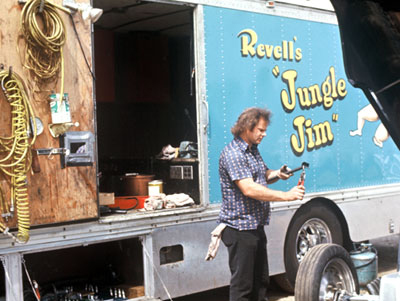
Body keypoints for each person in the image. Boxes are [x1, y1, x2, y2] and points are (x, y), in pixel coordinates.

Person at [218, 107, 305, 301]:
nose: (264, 134)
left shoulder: (252, 150)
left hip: (255, 226)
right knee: (243, 287)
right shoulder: (234, 154)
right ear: (246, 128)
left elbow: (261, 176)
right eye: (261, 130)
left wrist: (277, 174)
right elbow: (249, 188)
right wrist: (287, 196)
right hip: (240, 229)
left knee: (260, 283)